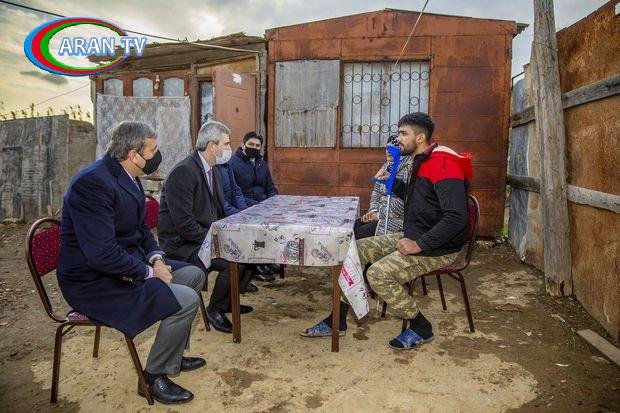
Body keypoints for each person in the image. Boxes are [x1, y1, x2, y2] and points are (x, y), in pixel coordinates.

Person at [57, 121, 205, 404]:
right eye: (153, 150)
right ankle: (153, 377)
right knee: (186, 300)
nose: (157, 155)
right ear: (133, 154)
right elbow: (101, 254)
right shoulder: (92, 184)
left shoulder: (128, 175)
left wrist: (157, 259)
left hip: (124, 264)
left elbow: (140, 230)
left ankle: (172, 355)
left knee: (194, 275)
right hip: (93, 281)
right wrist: (149, 273)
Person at [301, 112, 472, 351]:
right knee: (351, 251)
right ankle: (337, 319)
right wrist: (390, 182)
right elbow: (418, 200)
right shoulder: (420, 161)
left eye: (403, 133)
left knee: (377, 274)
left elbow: (456, 218)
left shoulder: (444, 164)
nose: (398, 138)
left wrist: (418, 244)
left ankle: (421, 326)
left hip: (439, 246)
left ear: (420, 137)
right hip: (415, 234)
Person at [157, 121, 254, 334]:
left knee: (245, 252)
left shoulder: (212, 170)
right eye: (226, 144)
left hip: (202, 235)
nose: (229, 149)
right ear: (212, 146)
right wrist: (218, 242)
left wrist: (237, 228)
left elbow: (219, 209)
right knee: (232, 261)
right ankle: (215, 309)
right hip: (182, 244)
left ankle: (227, 302)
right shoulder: (184, 172)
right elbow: (184, 225)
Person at [229, 131, 279, 280]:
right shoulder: (233, 164)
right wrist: (254, 207)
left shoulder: (262, 164)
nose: (254, 147)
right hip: (246, 206)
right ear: (243, 144)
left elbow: (270, 186)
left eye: (257, 146)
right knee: (256, 231)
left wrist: (273, 201)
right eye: (251, 144)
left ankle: (267, 260)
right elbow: (235, 192)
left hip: (264, 205)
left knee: (275, 226)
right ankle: (256, 265)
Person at [213, 161, 260, 292]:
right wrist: (237, 214)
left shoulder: (227, 165)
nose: (229, 151)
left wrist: (244, 211)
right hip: (221, 217)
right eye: (227, 147)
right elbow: (220, 201)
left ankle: (242, 283)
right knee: (240, 250)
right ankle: (234, 287)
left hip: (232, 213)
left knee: (253, 242)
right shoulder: (213, 169)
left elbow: (236, 190)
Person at [354, 135, 411, 239]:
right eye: (387, 148)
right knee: (354, 226)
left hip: (397, 219)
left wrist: (379, 215)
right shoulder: (386, 166)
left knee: (361, 233)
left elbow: (403, 202)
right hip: (379, 213)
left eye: (394, 148)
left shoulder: (408, 168)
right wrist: (373, 211)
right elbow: (376, 192)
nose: (389, 151)